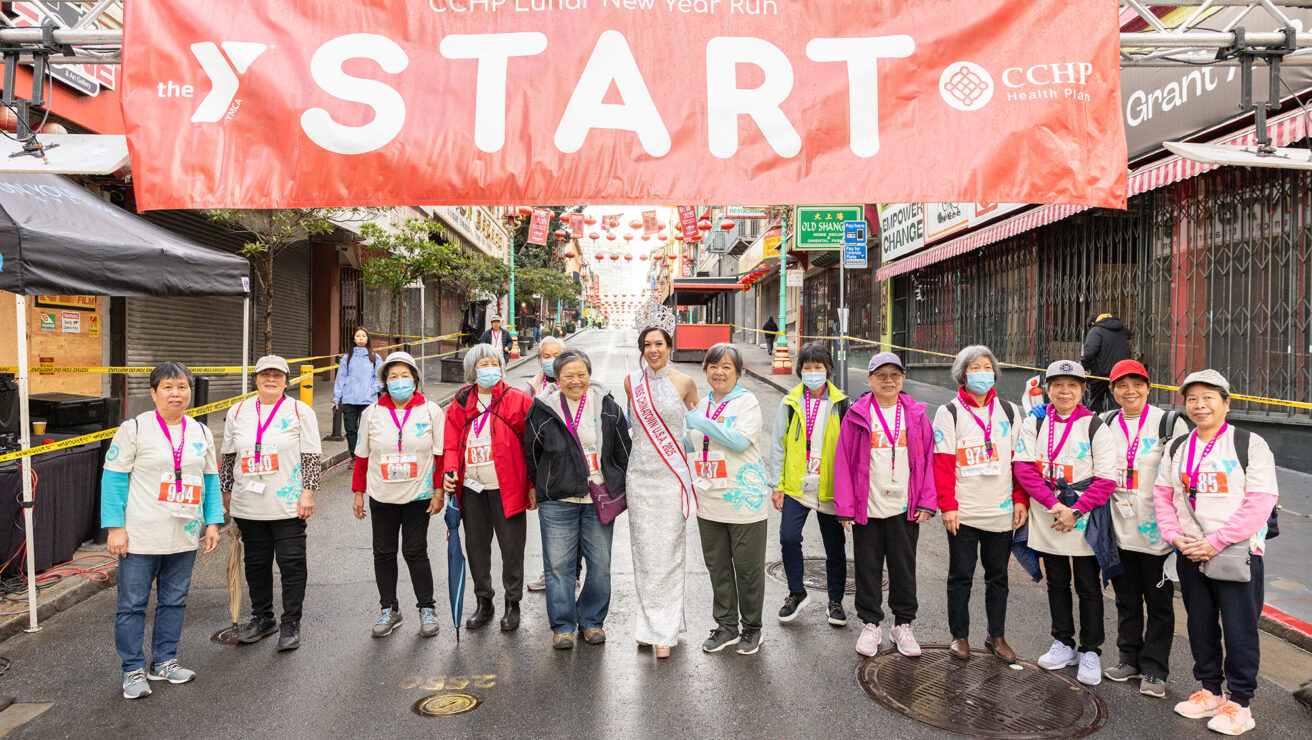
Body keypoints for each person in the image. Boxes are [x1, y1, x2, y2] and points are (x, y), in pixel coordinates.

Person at [1155, 370, 1277, 736]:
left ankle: (1240, 702)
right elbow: (1163, 494)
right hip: (1191, 551)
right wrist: (1174, 536)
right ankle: (1210, 689)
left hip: (1236, 552)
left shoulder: (1249, 443)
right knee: (1200, 623)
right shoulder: (1178, 446)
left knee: (1239, 628)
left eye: (1208, 397)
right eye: (1192, 398)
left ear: (1226, 401)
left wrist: (1218, 540)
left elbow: (1261, 501)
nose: (1199, 405)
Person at [101, 362, 223, 700]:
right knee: (132, 604)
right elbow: (112, 478)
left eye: (182, 386)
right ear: (153, 393)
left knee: (174, 601)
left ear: (190, 392)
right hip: (140, 535)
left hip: (183, 534)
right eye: (168, 386)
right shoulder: (134, 429)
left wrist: (212, 522)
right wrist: (115, 528)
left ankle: (165, 661)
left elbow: (209, 480)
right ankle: (132, 668)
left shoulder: (199, 431)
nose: (176, 393)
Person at [1013, 360, 1118, 686]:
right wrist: (1055, 505)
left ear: (1082, 390)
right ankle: (1063, 641)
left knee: (1087, 585)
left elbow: (1106, 479)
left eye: (1072, 385)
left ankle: (1090, 650)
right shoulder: (1035, 422)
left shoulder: (1094, 426)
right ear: (1048, 388)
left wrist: (1076, 510)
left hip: (1083, 516)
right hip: (1048, 512)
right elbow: (1024, 468)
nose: (1064, 391)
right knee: (1056, 580)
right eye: (1058, 384)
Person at [523, 348, 631, 649]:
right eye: (568, 375)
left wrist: (615, 483)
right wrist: (540, 484)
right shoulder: (543, 408)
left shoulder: (606, 404)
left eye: (581, 374)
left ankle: (592, 621)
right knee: (559, 566)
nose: (575, 380)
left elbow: (623, 449)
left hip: (598, 498)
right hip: (558, 499)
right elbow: (532, 452)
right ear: (557, 378)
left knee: (600, 565)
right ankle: (563, 626)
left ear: (589, 374)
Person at [834, 353, 936, 658]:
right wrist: (845, 507)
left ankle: (903, 625)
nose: (888, 381)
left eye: (894, 375)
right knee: (867, 567)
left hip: (905, 508)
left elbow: (929, 461)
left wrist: (927, 502)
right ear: (869, 380)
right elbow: (843, 463)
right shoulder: (856, 415)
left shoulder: (916, 415)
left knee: (904, 569)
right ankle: (871, 624)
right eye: (881, 375)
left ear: (903, 379)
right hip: (868, 507)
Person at [219, 355, 322, 651]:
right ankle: (262, 617)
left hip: (287, 503)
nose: (271, 379)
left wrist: (308, 492)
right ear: (255, 379)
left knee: (291, 563)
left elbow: (311, 456)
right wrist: (226, 493)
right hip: (248, 503)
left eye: (278, 374)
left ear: (286, 381)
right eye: (265, 374)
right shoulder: (238, 411)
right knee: (256, 563)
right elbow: (228, 456)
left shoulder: (300, 410)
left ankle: (291, 622)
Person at [1100, 360, 1189, 697]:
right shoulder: (1105, 422)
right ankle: (1128, 659)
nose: (1130, 390)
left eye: (1137, 384)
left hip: (1158, 534)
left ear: (1148, 387)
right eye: (1122, 385)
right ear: (1112, 390)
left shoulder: (1169, 422)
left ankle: (1155, 669)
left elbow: (1183, 475)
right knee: (1126, 600)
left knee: (1160, 605)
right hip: (1119, 530)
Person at [932, 345, 1027, 663]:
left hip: (1000, 512)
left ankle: (996, 635)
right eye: (974, 368)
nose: (982, 373)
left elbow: (1020, 462)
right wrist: (947, 504)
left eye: (987, 366)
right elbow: (943, 463)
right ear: (962, 373)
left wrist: (1020, 499)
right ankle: (959, 635)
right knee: (960, 575)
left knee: (998, 576)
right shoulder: (950, 412)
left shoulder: (1011, 412)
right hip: (964, 511)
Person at [351, 351, 446, 638]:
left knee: (415, 551)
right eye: (393, 377)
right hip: (381, 495)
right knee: (383, 552)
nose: (399, 381)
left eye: (405, 376)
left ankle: (426, 608)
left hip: (419, 495)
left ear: (415, 379)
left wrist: (439, 492)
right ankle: (389, 609)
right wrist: (359, 493)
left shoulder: (431, 411)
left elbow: (441, 456)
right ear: (385, 382)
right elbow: (362, 457)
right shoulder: (371, 414)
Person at [443, 343, 534, 632]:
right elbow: (450, 443)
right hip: (471, 489)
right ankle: (484, 601)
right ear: (472, 370)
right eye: (482, 365)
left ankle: (512, 602)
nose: (489, 369)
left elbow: (532, 447)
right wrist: (448, 472)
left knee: (511, 549)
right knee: (477, 548)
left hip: (507, 487)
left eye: (493, 363)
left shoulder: (518, 400)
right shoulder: (460, 402)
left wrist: (532, 486)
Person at [624, 319, 700, 659]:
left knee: (668, 555)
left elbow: (699, 427)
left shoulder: (685, 382)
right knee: (644, 556)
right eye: (647, 345)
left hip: (671, 477)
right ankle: (647, 627)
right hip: (639, 477)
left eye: (659, 344)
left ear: (670, 346)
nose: (652, 350)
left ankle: (665, 631)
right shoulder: (631, 382)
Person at [688, 344, 769, 655]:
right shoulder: (702, 405)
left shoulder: (746, 402)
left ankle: (752, 628)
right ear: (705, 370)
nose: (718, 372)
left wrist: (698, 421)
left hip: (743, 501)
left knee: (748, 569)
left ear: (738, 373)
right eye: (713, 366)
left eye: (726, 367)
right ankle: (726, 626)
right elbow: (692, 446)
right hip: (708, 499)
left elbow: (736, 441)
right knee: (718, 567)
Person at [766, 342, 851, 626]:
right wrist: (776, 485)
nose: (813, 372)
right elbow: (778, 444)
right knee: (789, 538)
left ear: (828, 369)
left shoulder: (842, 403)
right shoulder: (790, 402)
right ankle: (796, 593)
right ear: (800, 370)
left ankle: (835, 601)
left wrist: (849, 495)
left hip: (830, 487)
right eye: (807, 368)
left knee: (834, 547)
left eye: (818, 367)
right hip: (796, 486)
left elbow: (850, 450)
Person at [332, 327, 383, 454]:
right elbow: (341, 378)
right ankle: (354, 456)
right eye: (358, 336)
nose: (361, 338)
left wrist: (372, 390)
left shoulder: (374, 357)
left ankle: (367, 455)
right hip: (350, 399)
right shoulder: (347, 358)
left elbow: (380, 377)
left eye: (363, 336)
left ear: (367, 339)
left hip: (368, 400)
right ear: (353, 339)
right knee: (350, 429)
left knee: (367, 429)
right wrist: (336, 399)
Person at [1081, 313, 1132, 412]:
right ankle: (1117, 423)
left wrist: (1084, 367)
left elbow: (1090, 352)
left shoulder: (1095, 330)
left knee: (1095, 402)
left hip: (1100, 373)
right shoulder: (1124, 332)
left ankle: (1093, 423)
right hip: (1119, 373)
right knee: (1117, 402)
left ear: (1093, 323)